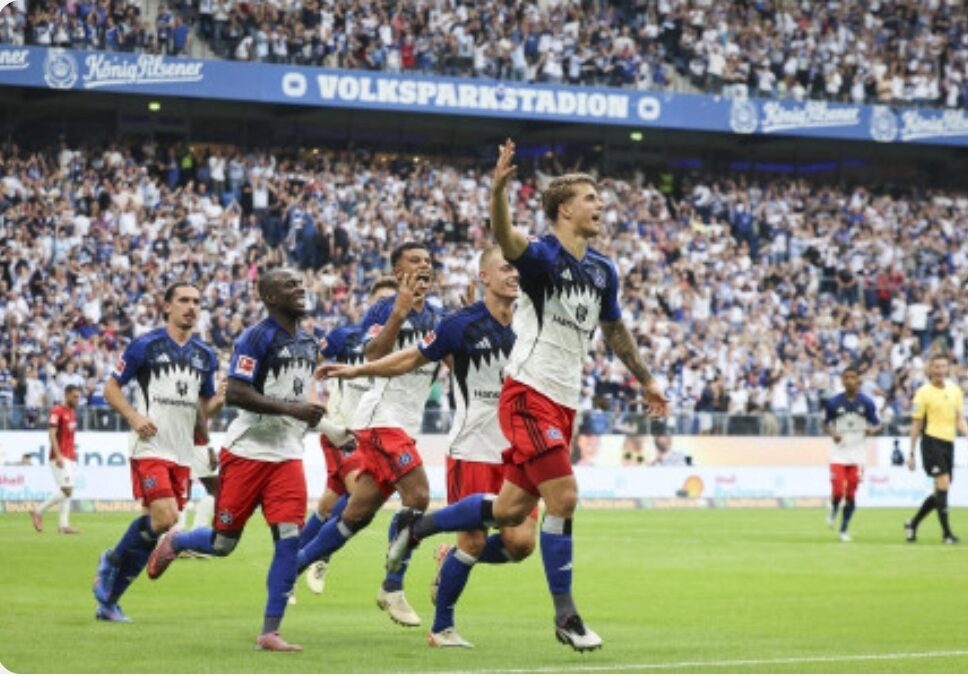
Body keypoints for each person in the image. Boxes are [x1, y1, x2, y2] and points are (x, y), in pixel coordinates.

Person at [385, 139, 669, 652]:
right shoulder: (540, 258)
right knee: (565, 498)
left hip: (564, 401)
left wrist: (646, 378)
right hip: (528, 393)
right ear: (565, 209)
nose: (600, 205)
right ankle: (566, 617)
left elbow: (614, 329)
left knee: (510, 514)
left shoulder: (603, 270)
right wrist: (498, 193)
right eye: (589, 198)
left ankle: (418, 528)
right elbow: (506, 237)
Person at [318, 245, 536, 648]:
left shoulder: (527, 321)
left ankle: (419, 548)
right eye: (505, 267)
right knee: (459, 533)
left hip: (517, 448)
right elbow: (402, 357)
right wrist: (359, 368)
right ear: (484, 277)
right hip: (465, 445)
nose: (514, 274)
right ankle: (440, 625)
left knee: (520, 545)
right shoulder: (433, 319)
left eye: (516, 268)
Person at [145, 268, 325, 651]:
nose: (300, 288)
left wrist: (328, 427)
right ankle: (178, 541)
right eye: (290, 285)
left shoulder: (310, 343)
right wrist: (293, 411)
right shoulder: (255, 338)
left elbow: (300, 396)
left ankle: (270, 632)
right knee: (223, 543)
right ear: (270, 297)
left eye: (300, 283)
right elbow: (238, 393)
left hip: (288, 456)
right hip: (247, 453)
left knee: (289, 540)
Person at [297, 241, 442, 628]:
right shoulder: (381, 310)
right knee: (418, 496)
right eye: (415, 260)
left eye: (428, 260)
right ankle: (392, 585)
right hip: (380, 419)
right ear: (398, 272)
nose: (424, 265)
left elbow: (451, 359)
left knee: (356, 512)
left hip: (406, 424)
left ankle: (290, 568)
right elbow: (374, 355)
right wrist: (398, 312)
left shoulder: (439, 316)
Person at [91, 281, 223, 623]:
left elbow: (201, 409)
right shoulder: (145, 345)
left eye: (196, 301)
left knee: (159, 525)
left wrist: (208, 437)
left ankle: (110, 602)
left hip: (182, 452)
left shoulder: (205, 355)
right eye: (184, 300)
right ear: (167, 306)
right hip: (150, 445)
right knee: (165, 519)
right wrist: (134, 416)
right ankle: (111, 559)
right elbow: (110, 388)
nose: (191, 307)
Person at [298, 276, 399, 597]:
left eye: (393, 302)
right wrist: (312, 395)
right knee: (362, 497)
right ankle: (321, 553)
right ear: (370, 304)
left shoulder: (405, 345)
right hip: (342, 433)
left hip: (375, 436)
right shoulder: (346, 336)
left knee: (328, 505)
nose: (387, 307)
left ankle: (291, 563)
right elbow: (308, 362)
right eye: (381, 301)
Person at [905, 353, 967, 544]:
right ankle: (947, 534)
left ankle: (913, 523)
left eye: (943, 366)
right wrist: (911, 452)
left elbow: (959, 420)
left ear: (948, 368)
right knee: (943, 483)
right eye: (936, 367)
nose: (940, 370)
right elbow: (916, 424)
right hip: (931, 442)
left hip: (948, 443)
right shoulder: (923, 393)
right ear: (930, 369)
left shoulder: (955, 391)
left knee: (940, 490)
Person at [822, 365, 880, 542]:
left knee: (850, 494)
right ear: (842, 380)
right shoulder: (834, 402)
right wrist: (833, 433)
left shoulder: (867, 403)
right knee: (838, 490)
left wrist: (872, 430)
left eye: (852, 377)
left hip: (858, 455)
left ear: (858, 380)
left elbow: (877, 424)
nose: (849, 380)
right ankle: (834, 509)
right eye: (846, 377)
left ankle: (844, 529)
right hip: (838, 454)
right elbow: (825, 423)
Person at [31, 384, 82, 534]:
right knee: (67, 489)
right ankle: (38, 511)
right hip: (59, 456)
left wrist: (73, 453)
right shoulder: (57, 410)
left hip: (70, 456)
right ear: (66, 395)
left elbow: (69, 435)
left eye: (78, 397)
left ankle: (63, 525)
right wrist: (58, 454)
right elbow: (52, 433)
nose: (77, 399)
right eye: (75, 397)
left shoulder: (72, 412)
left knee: (67, 490)